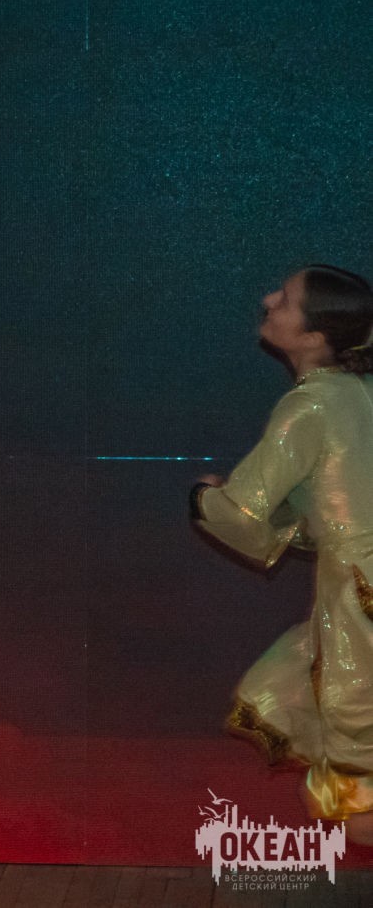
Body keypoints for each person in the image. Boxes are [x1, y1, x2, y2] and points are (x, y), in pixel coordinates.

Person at [192, 265, 373, 841]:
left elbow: (244, 511)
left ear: (315, 336)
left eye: (287, 300)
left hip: (360, 594)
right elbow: (335, 510)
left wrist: (205, 499)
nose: (269, 300)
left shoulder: (311, 407)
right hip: (359, 582)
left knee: (354, 749)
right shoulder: (361, 393)